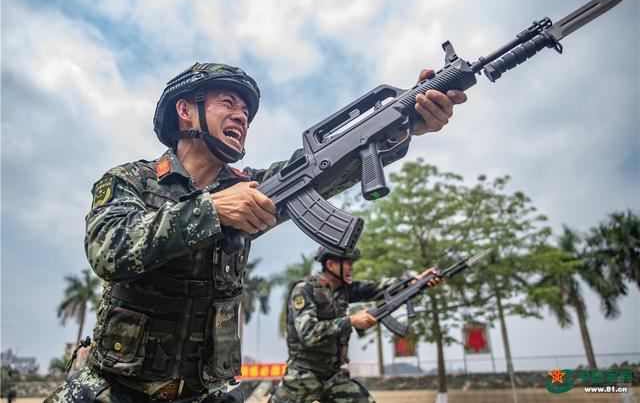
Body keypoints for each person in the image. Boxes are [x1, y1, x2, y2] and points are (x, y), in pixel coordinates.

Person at [45, 62, 466, 402]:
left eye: (246, 111)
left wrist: (399, 126)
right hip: (114, 388)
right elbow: (109, 251)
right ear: (185, 110)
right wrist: (210, 210)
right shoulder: (130, 180)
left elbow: (323, 172)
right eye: (228, 102)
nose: (242, 115)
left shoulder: (252, 187)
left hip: (207, 393)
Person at [269, 246, 442, 403]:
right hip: (303, 375)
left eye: (352, 263)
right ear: (330, 264)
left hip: (333, 376)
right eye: (348, 263)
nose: (352, 267)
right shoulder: (305, 289)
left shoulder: (344, 290)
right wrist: (351, 321)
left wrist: (415, 282)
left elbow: (379, 288)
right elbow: (308, 334)